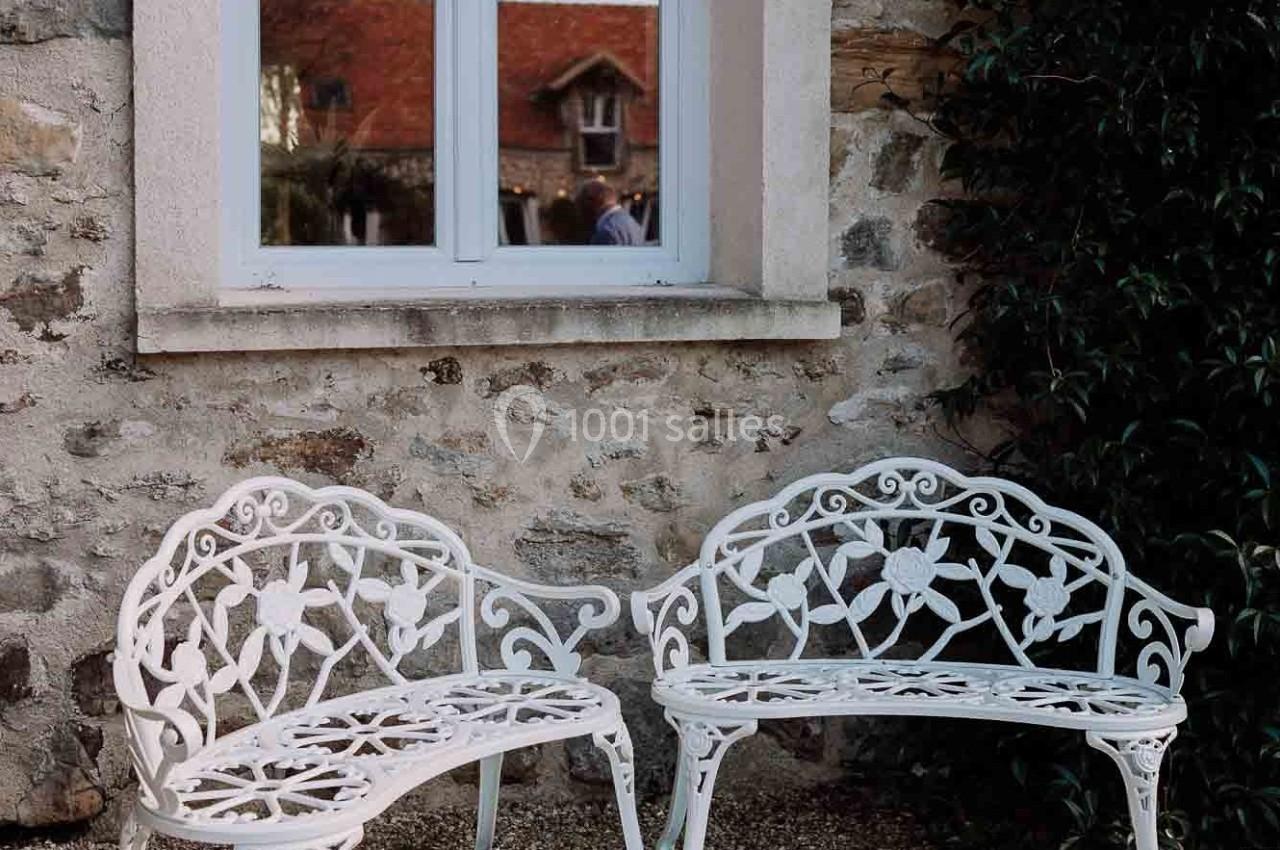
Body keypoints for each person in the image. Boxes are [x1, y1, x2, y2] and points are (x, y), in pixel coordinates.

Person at [576, 180, 646, 246]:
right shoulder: (632, 222)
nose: (579, 212)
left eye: (580, 204)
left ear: (590, 202)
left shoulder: (606, 232)